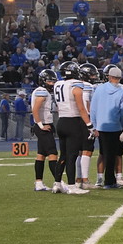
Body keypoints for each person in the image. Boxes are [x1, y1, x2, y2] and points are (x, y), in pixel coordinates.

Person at [52, 61, 92, 194]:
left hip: (61, 121)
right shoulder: (76, 84)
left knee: (63, 155)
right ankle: (72, 186)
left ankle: (57, 183)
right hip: (72, 122)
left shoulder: (58, 84)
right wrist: (89, 125)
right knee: (72, 156)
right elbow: (81, 108)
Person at [90, 65, 123, 189]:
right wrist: (122, 124)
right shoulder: (122, 92)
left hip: (101, 126)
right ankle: (109, 181)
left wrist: (94, 125)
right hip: (115, 126)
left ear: (109, 77)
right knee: (113, 154)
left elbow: (93, 108)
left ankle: (101, 179)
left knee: (103, 153)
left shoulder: (99, 89)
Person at [30, 69, 60, 191]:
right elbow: (35, 110)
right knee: (53, 153)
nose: (52, 84)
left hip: (43, 125)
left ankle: (39, 183)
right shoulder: (41, 91)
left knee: (41, 155)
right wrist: (41, 125)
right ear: (43, 81)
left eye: (53, 81)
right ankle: (58, 182)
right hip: (43, 126)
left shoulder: (42, 91)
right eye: (49, 81)